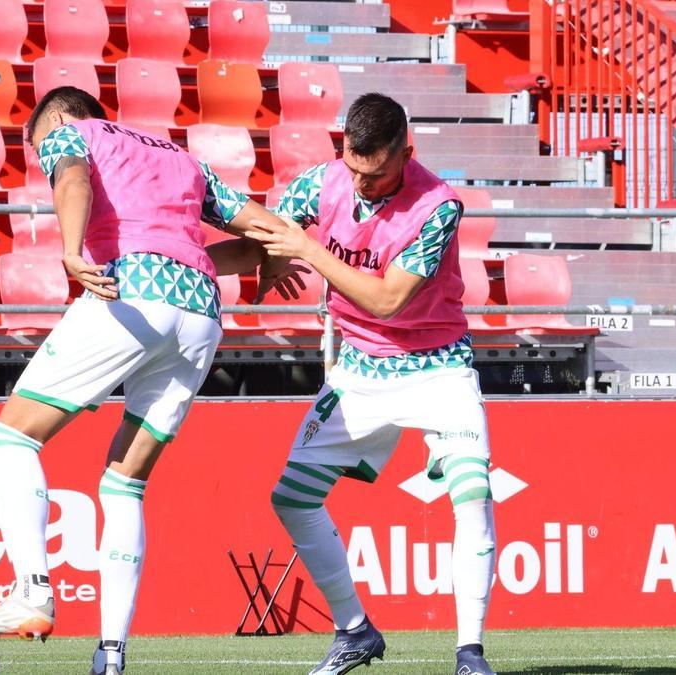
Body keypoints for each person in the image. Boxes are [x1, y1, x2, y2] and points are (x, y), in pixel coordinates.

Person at [0, 86, 297, 675]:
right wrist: (276, 262)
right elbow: (267, 228)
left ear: (57, 121)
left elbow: (73, 181)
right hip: (201, 314)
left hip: (131, 293)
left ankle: (32, 591)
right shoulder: (183, 160)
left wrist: (71, 251)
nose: (43, 157)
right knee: (124, 484)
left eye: (38, 147)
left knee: (12, 436)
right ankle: (110, 655)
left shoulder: (70, 133)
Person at [246, 92, 498, 675]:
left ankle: (470, 654)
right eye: (354, 169)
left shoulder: (438, 207)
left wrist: (306, 250)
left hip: (436, 363)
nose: (362, 184)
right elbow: (278, 222)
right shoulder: (326, 181)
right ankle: (355, 631)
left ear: (406, 154)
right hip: (360, 367)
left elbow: (386, 300)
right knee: (292, 499)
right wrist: (274, 258)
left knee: (473, 495)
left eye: (377, 174)